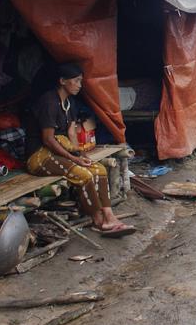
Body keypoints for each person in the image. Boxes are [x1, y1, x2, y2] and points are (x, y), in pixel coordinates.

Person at [26, 63, 135, 237]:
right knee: (84, 175)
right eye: (76, 81)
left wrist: (81, 155)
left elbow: (71, 133)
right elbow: (48, 139)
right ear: (62, 81)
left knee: (98, 169)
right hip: (39, 156)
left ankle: (110, 217)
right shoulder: (49, 102)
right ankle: (98, 221)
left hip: (57, 152)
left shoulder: (70, 103)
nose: (79, 85)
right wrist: (74, 159)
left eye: (80, 81)